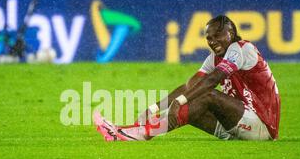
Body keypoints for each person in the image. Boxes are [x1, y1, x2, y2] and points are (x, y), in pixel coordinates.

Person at [94, 15, 281, 142]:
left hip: (262, 127)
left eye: (217, 36)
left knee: (206, 96)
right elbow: (189, 85)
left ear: (230, 34)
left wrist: (179, 101)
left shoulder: (241, 48)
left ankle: (137, 134)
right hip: (237, 124)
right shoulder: (214, 58)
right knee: (191, 102)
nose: (212, 41)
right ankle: (129, 130)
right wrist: (154, 108)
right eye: (209, 37)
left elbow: (212, 80)